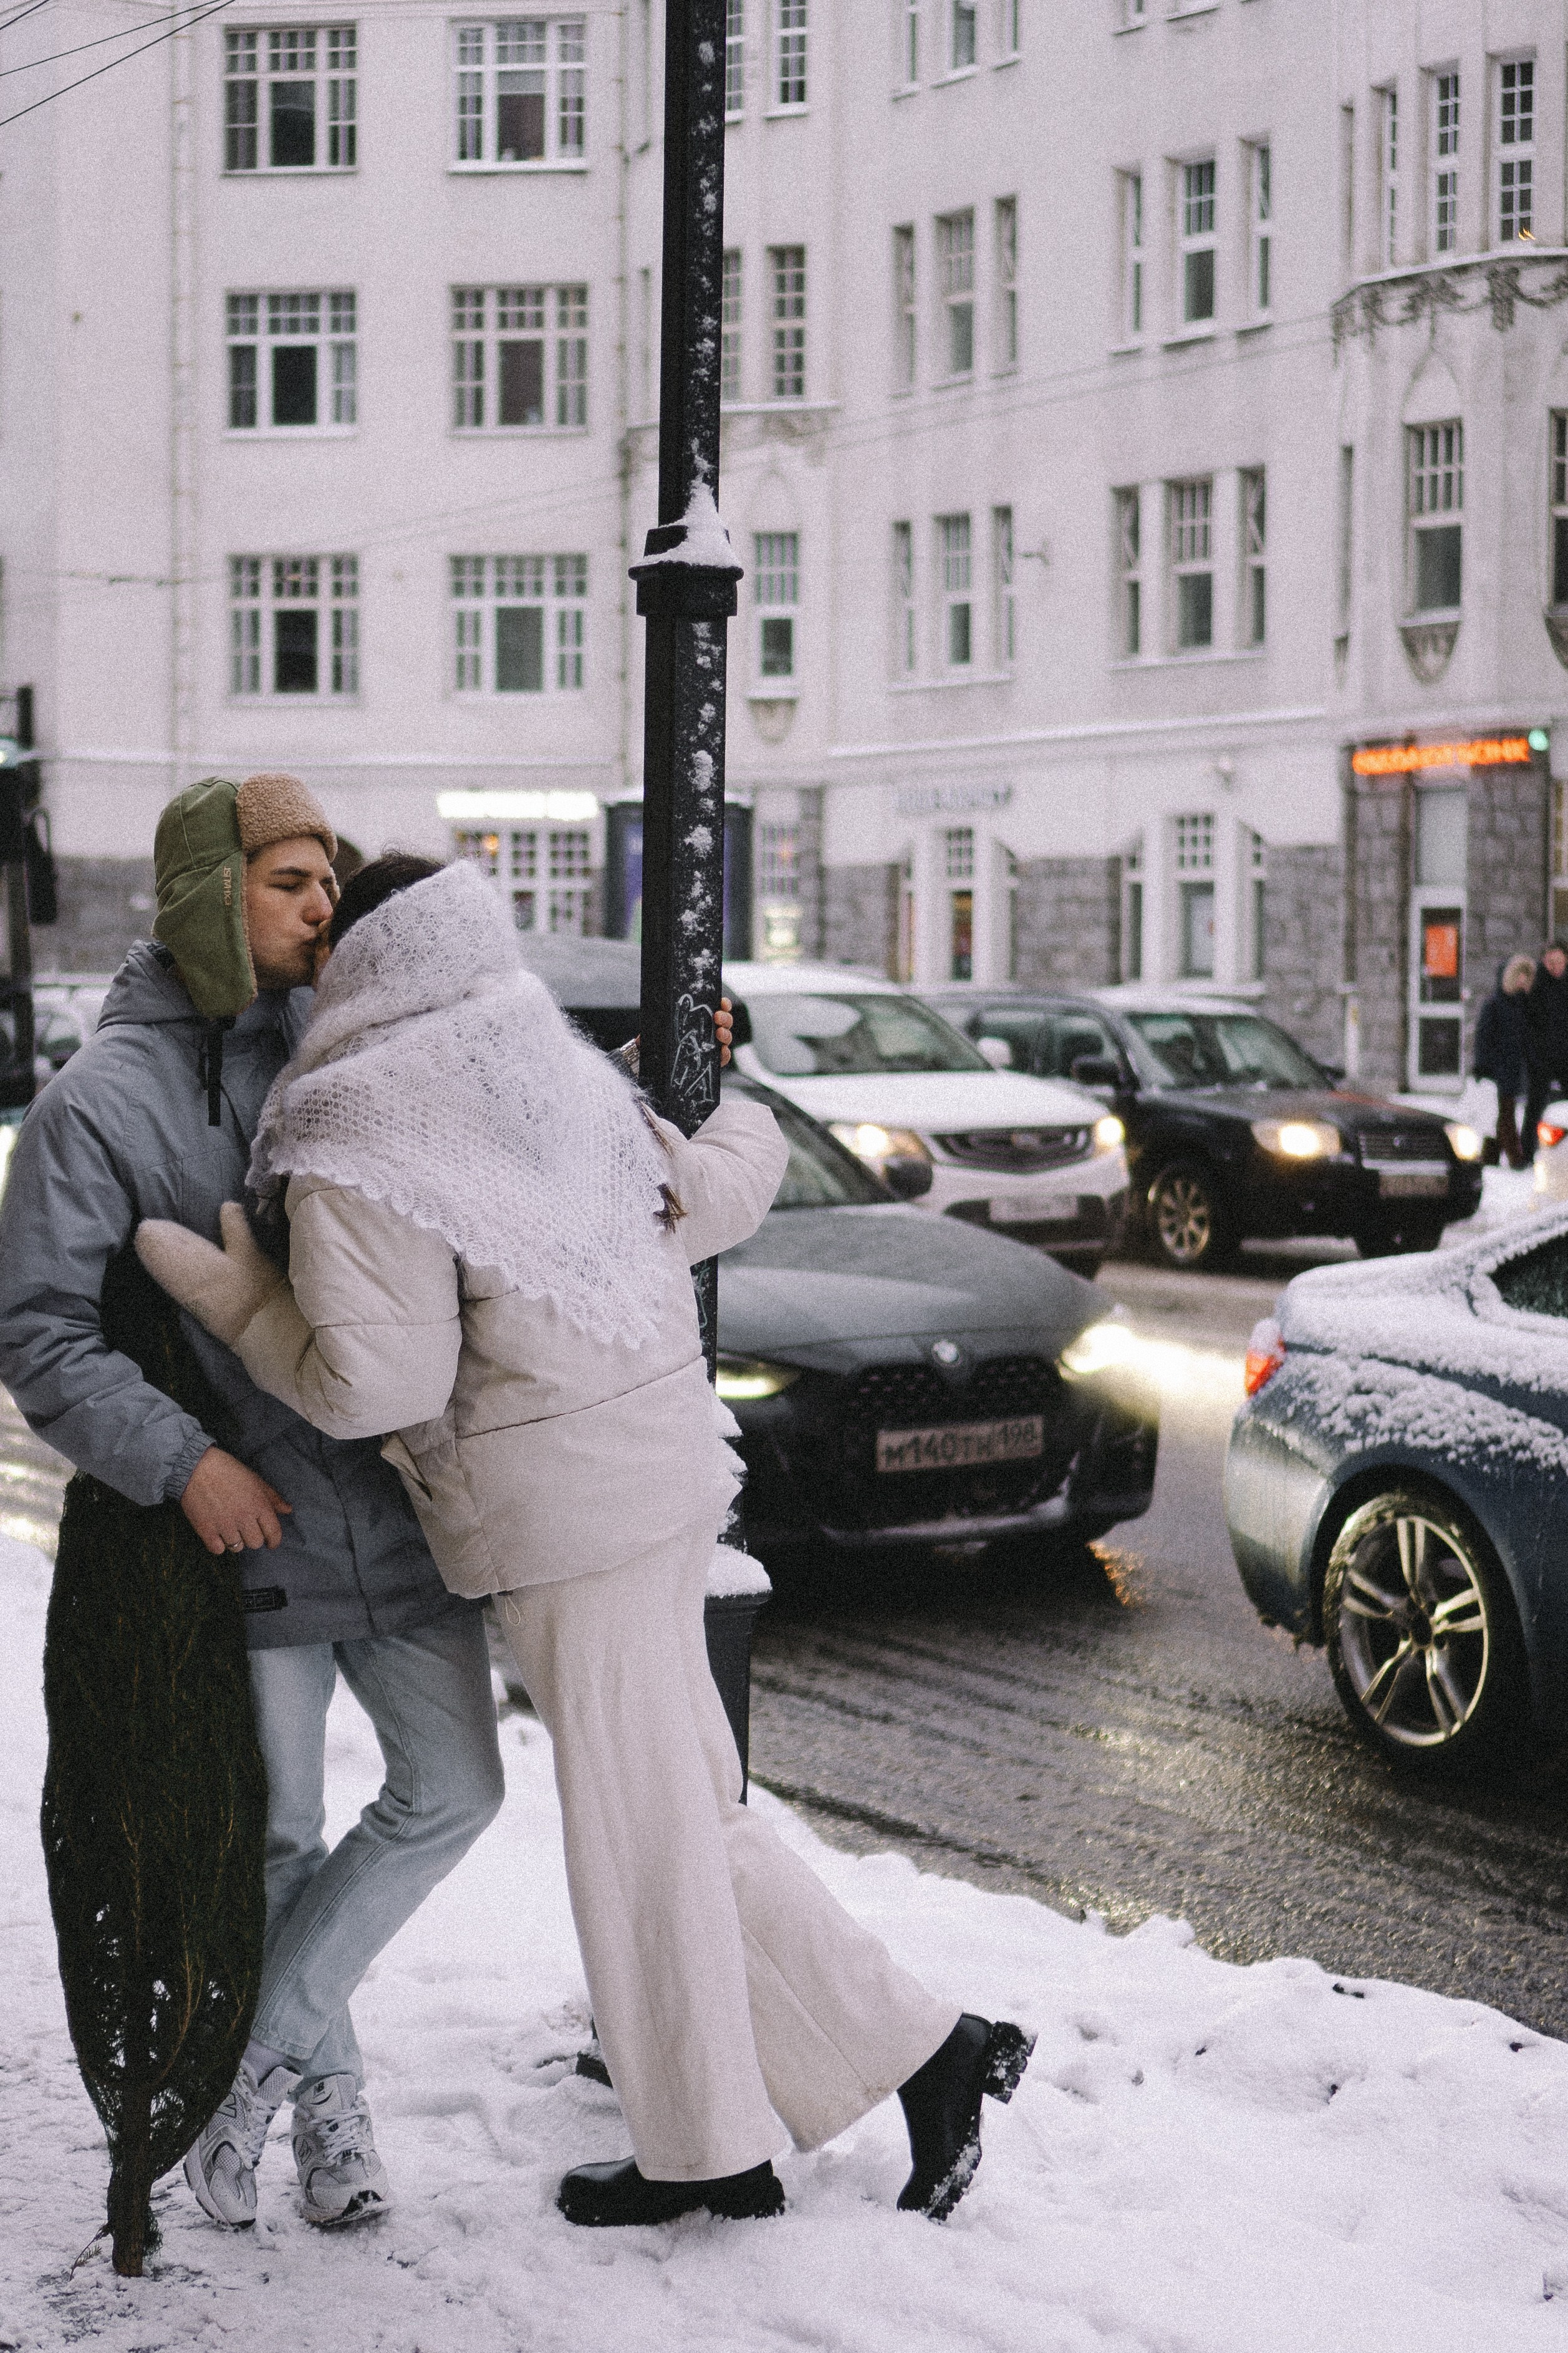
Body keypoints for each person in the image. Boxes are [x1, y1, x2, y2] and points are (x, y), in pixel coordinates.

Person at [138, 853, 1034, 2231]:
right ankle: (889, 2069)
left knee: (643, 1833)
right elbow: (706, 1196)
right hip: (666, 1476)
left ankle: (766, 2127)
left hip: (561, 1509)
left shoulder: (356, 1114)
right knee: (687, 1818)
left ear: (361, 964)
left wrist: (254, 1307)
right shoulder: (533, 1061)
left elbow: (378, 1381)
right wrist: (718, 1108)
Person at [0, 778, 507, 2235]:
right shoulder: (95, 1105)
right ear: (208, 894)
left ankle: (255, 2068)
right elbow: (41, 1335)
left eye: (328, 882)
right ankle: (327, 2118)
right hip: (250, 1538)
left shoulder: (347, 1047)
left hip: (398, 1516)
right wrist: (186, 1463)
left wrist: (670, 1072)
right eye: (289, 882)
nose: (320, 908)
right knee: (283, 1838)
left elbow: (505, 1098)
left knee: (456, 1789)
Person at [1473, 954, 1535, 1169]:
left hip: (1512, 1068)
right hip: (1497, 1069)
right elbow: (1483, 1037)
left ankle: (1489, 1156)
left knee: (1500, 1114)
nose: (1523, 982)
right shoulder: (1494, 1004)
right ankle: (1515, 1158)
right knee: (1506, 1114)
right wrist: (1483, 1067)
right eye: (1520, 976)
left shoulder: (1521, 1003)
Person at [1524, 939, 1568, 1158]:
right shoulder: (1536, 986)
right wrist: (1533, 1054)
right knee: (1536, 1105)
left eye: (1559, 961)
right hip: (1541, 1056)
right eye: (1551, 962)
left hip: (1565, 1055)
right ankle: (1529, 1152)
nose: (1555, 967)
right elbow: (1528, 1024)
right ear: (1544, 961)